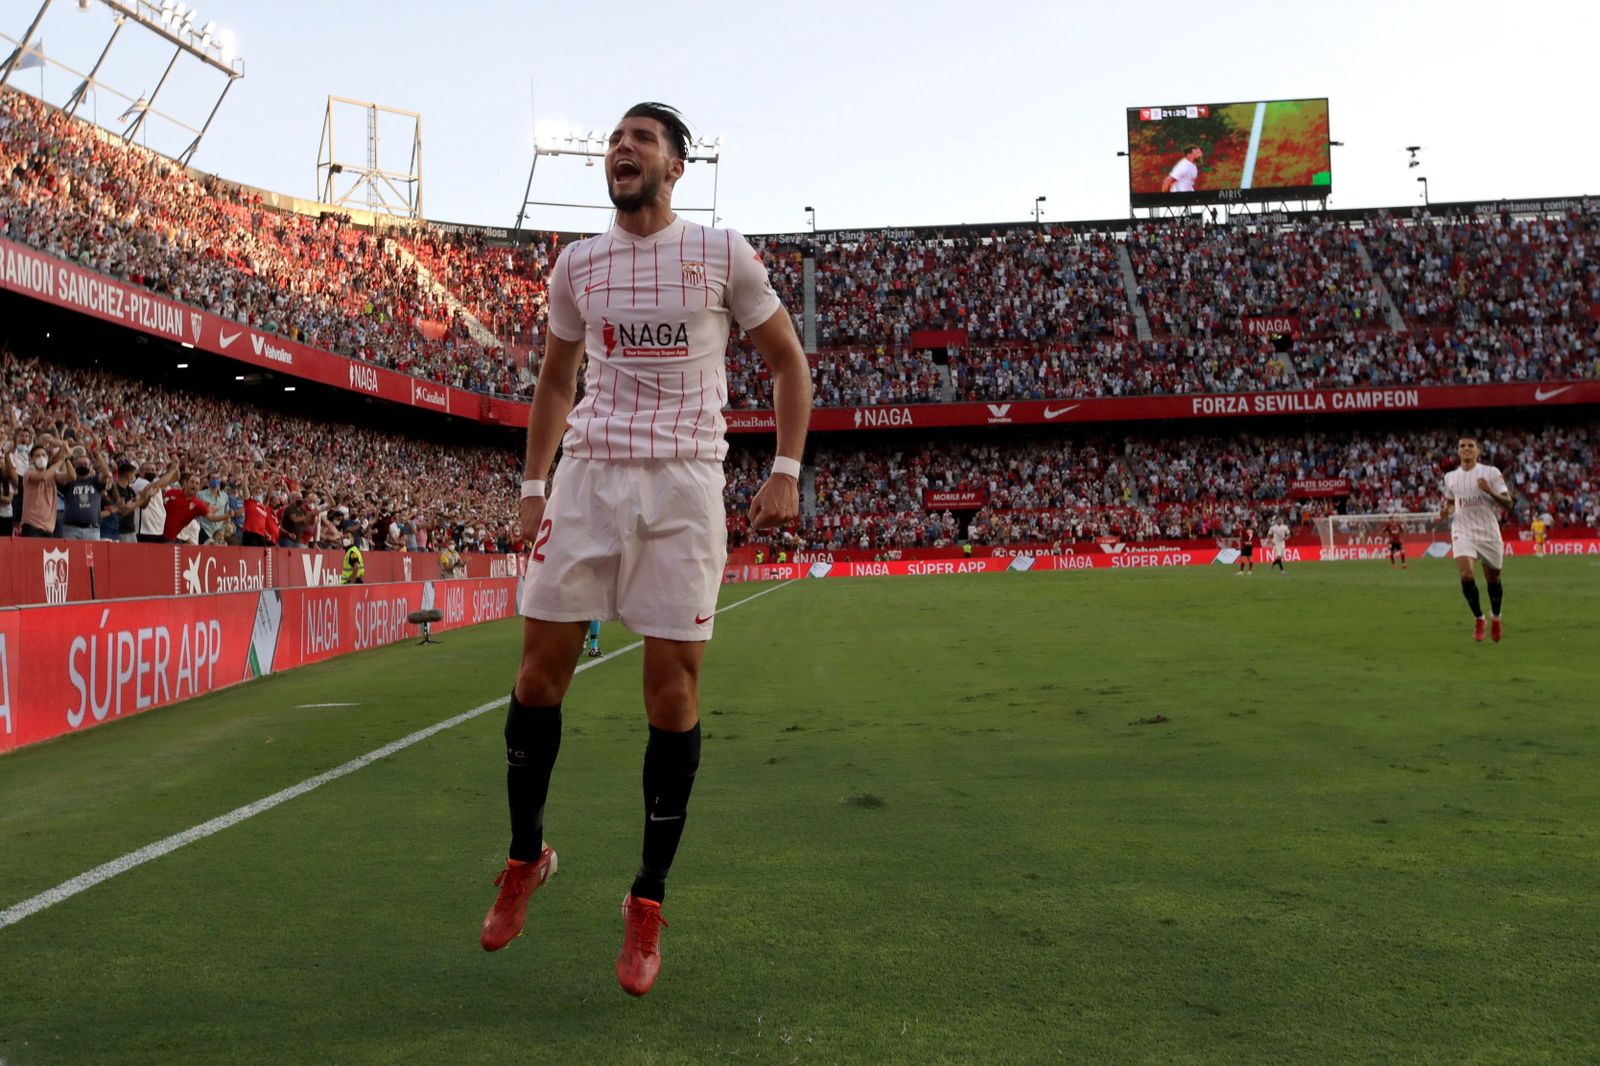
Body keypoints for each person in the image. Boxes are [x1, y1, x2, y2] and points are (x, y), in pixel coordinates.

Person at [481, 102, 812, 998]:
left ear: (675, 165)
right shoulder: (578, 265)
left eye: (642, 140)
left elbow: (788, 362)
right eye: (616, 140)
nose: (622, 149)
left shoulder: (721, 252)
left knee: (671, 693)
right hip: (588, 477)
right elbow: (556, 378)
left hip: (684, 484)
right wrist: (531, 485)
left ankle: (647, 898)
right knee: (537, 678)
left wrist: (785, 469)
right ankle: (526, 857)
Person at [1440, 436, 1513, 642]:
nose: (1466, 449)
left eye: (1470, 446)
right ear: (1458, 451)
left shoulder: (1491, 473)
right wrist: (1447, 510)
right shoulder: (1450, 477)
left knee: (1493, 579)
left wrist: (1489, 490)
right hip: (1462, 530)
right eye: (1462, 446)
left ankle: (1496, 618)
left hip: (1488, 532)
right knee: (1466, 575)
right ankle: (1479, 619)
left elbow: (1509, 504)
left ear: (1478, 451)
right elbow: (1451, 501)